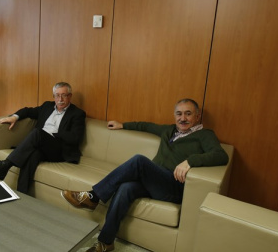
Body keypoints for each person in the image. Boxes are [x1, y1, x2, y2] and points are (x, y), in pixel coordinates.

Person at [61, 98, 229, 252]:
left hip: (173, 186)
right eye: (179, 113)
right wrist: (123, 125)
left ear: (197, 116)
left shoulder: (205, 135)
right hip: (153, 183)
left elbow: (221, 156)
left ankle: (93, 196)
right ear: (174, 115)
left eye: (188, 113)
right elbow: (146, 126)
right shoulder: (169, 130)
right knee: (125, 188)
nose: (182, 118)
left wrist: (190, 161)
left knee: (139, 161)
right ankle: (106, 242)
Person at [0, 82, 86, 193]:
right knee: (32, 155)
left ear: (69, 96)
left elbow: (75, 138)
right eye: (57, 95)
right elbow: (27, 111)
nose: (60, 99)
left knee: (38, 132)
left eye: (64, 95)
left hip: (59, 149)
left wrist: (56, 133)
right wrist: (14, 117)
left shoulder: (77, 113)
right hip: (40, 145)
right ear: (53, 96)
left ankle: (5, 166)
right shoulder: (47, 106)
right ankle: (22, 194)